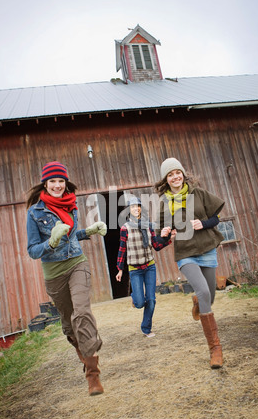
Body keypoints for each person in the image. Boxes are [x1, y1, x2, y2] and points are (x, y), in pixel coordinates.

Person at [26, 161, 107, 395]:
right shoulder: (35, 213)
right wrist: (50, 242)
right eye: (53, 181)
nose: (58, 185)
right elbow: (32, 250)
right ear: (45, 183)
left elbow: (70, 237)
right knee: (70, 323)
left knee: (82, 312)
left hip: (77, 264)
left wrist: (88, 231)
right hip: (54, 274)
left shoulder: (72, 205)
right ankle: (85, 358)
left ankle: (93, 376)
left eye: (61, 181)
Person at [154, 158, 225, 368]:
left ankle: (198, 303)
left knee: (209, 297)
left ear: (183, 174)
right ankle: (215, 350)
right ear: (165, 180)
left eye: (178, 172)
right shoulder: (164, 203)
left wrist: (202, 223)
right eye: (170, 174)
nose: (175, 177)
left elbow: (216, 218)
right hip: (186, 253)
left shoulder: (199, 194)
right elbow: (159, 239)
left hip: (207, 248)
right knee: (203, 291)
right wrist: (165, 234)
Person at [116, 197, 171, 338]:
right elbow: (122, 249)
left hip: (149, 267)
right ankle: (135, 297)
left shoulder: (148, 225)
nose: (136, 209)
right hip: (135, 269)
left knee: (151, 300)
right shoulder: (125, 228)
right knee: (140, 303)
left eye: (138, 206)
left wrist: (167, 238)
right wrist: (120, 269)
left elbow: (156, 245)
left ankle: (146, 328)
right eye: (133, 207)